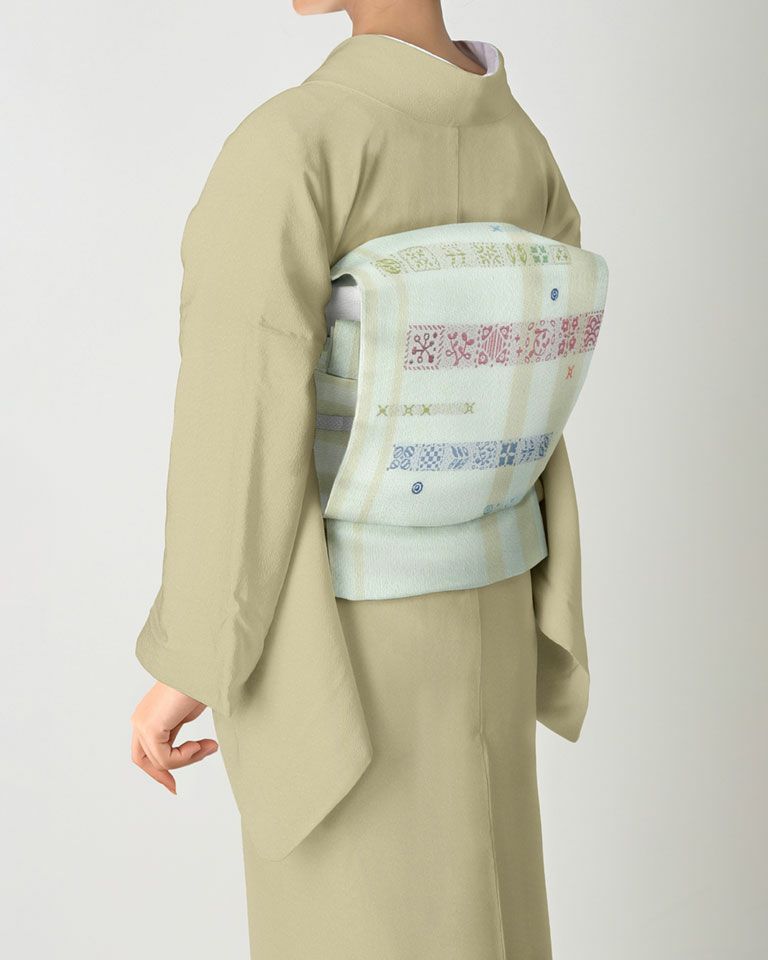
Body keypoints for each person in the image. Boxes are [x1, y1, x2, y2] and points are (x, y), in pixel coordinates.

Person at [131, 2, 599, 957]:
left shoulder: (296, 145)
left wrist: (192, 660)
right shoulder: (522, 146)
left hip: (343, 641)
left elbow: (242, 416)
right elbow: (537, 395)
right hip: (494, 611)